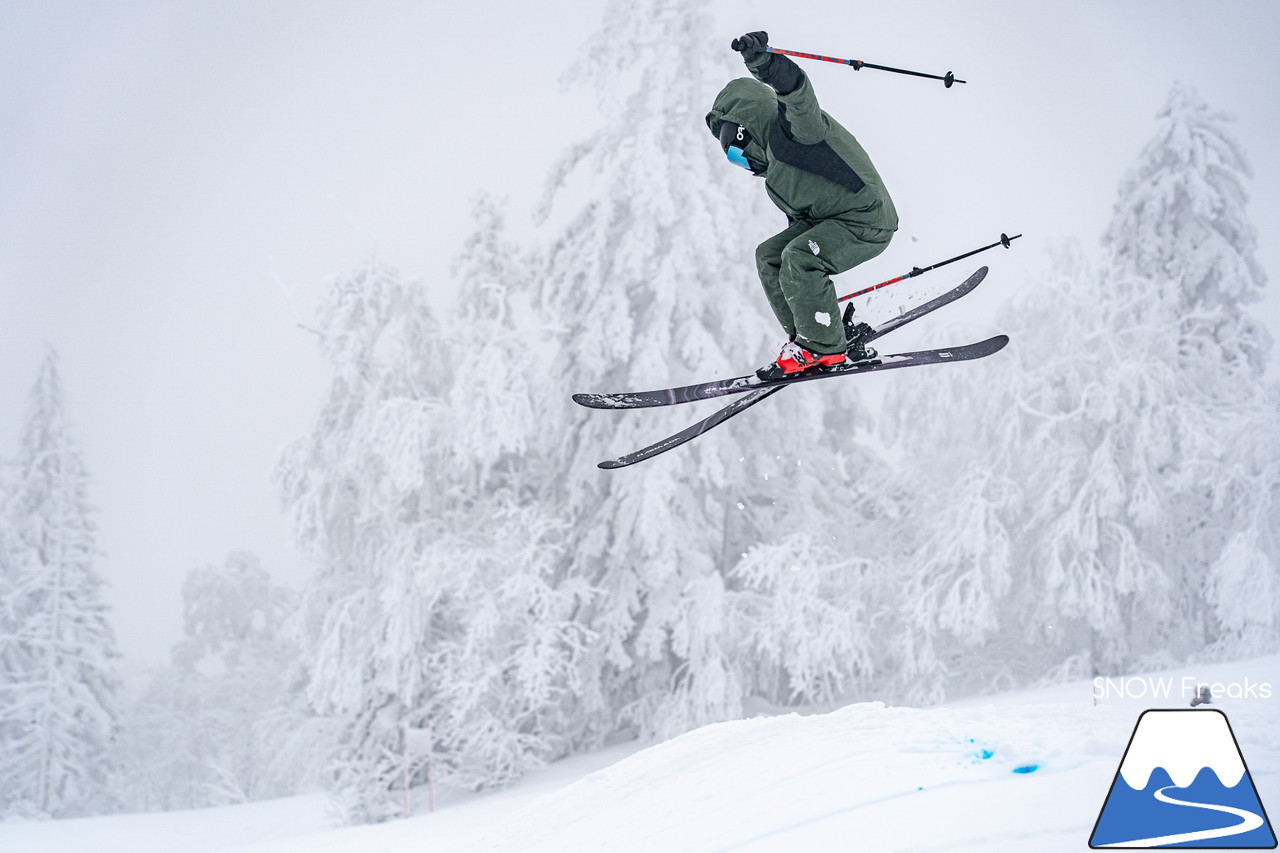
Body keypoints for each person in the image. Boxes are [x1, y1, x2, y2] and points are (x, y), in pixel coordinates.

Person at [707, 32, 899, 380]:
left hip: (866, 220)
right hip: (836, 221)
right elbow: (803, 224)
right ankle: (816, 337)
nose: (743, 164)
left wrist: (764, 64)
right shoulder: (777, 178)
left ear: (745, 130)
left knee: (800, 256)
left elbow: (797, 94)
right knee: (770, 256)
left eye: (737, 153)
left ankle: (821, 346)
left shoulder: (795, 131)